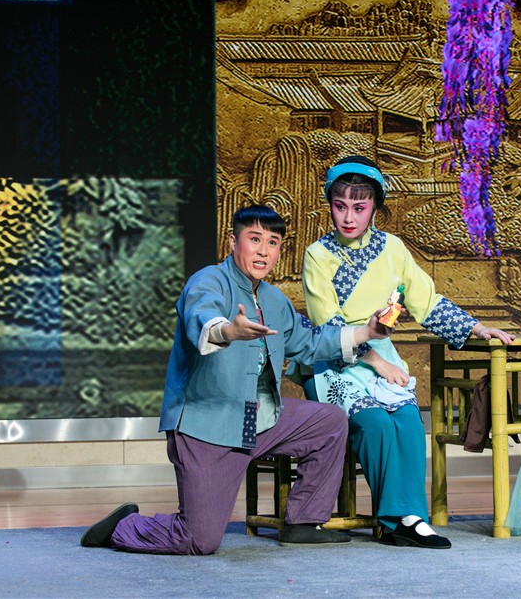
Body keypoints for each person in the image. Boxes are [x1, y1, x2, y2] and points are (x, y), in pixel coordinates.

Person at [80, 205, 393, 554]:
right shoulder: (208, 280)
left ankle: (304, 521)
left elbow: (310, 342)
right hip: (207, 425)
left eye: (272, 242)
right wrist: (228, 331)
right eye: (254, 239)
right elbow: (202, 316)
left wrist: (367, 331)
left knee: (329, 422)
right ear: (233, 241)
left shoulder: (274, 299)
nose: (263, 251)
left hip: (261, 418)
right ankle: (124, 526)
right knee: (198, 540)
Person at [293, 155, 516, 549]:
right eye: (340, 206)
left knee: (410, 422)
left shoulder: (393, 248)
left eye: (359, 207)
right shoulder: (317, 254)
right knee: (376, 424)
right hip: (334, 360)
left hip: (381, 355)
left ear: (374, 208)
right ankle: (394, 520)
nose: (349, 217)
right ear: (330, 205)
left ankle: (411, 518)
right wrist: (376, 362)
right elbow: (328, 325)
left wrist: (477, 328)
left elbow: (426, 301)